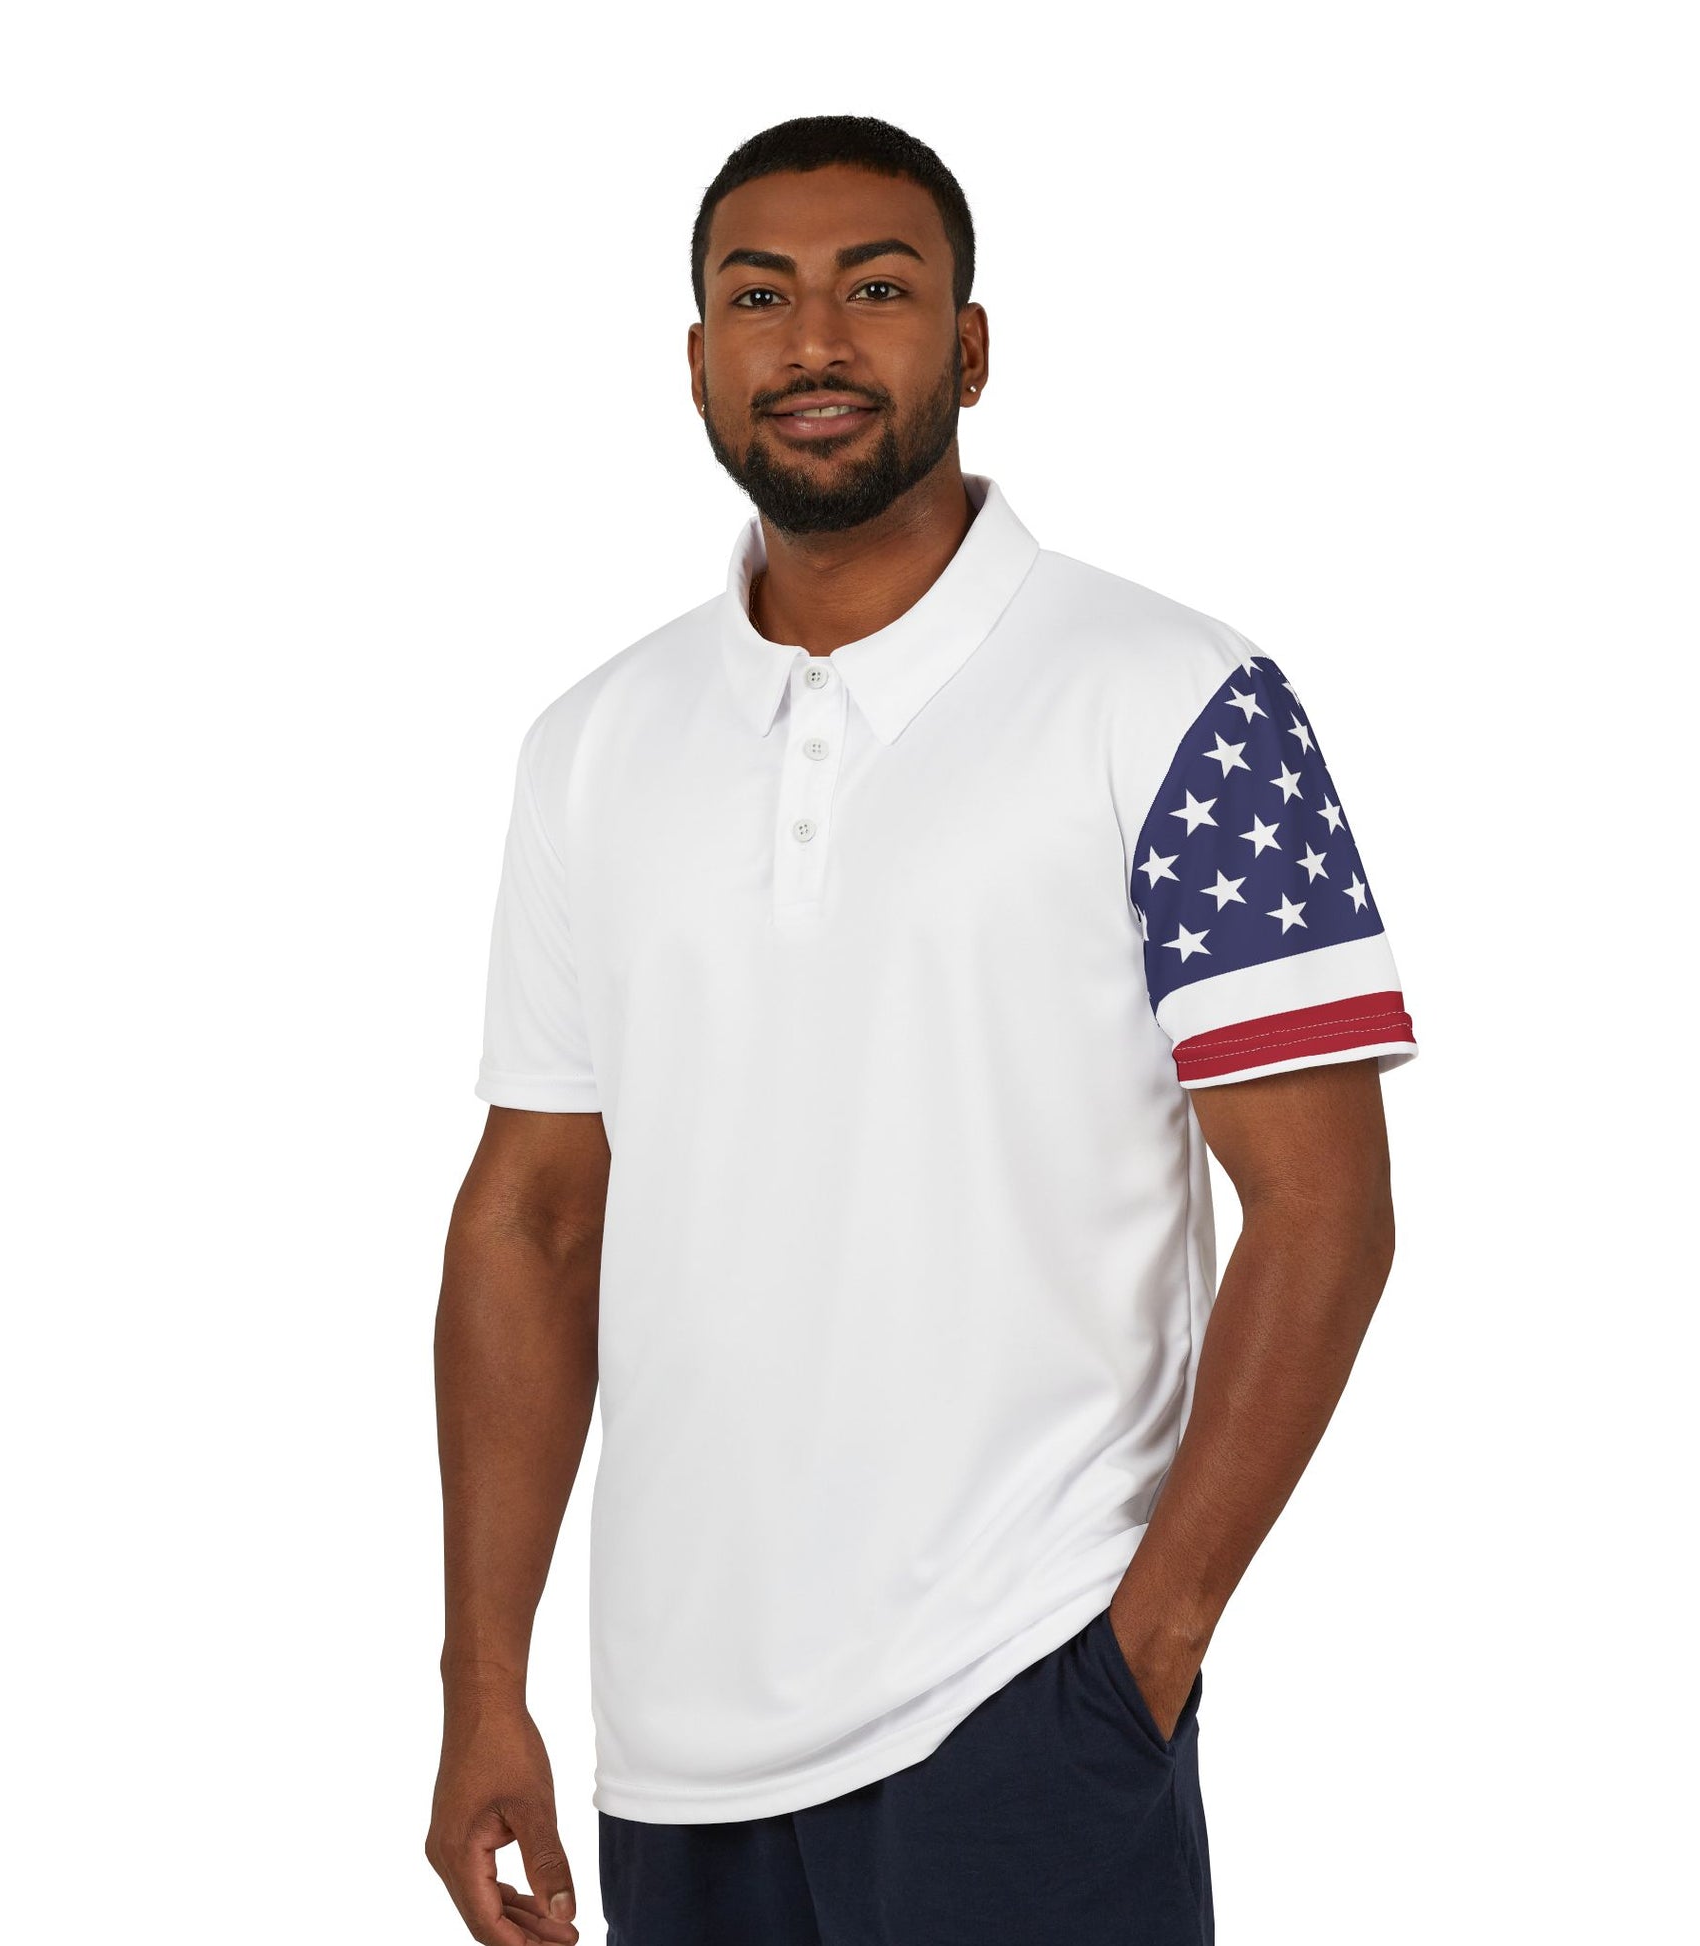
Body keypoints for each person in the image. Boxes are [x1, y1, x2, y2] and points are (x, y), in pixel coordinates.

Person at [425, 114, 1418, 1946]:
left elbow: (1324, 1206)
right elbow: (532, 1219)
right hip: (672, 1755)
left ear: (967, 347)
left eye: (873, 290)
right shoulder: (591, 746)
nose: (813, 340)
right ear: (697, 360)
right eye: (758, 298)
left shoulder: (1174, 697)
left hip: (1024, 1702)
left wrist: (1144, 1651)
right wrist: (484, 1678)